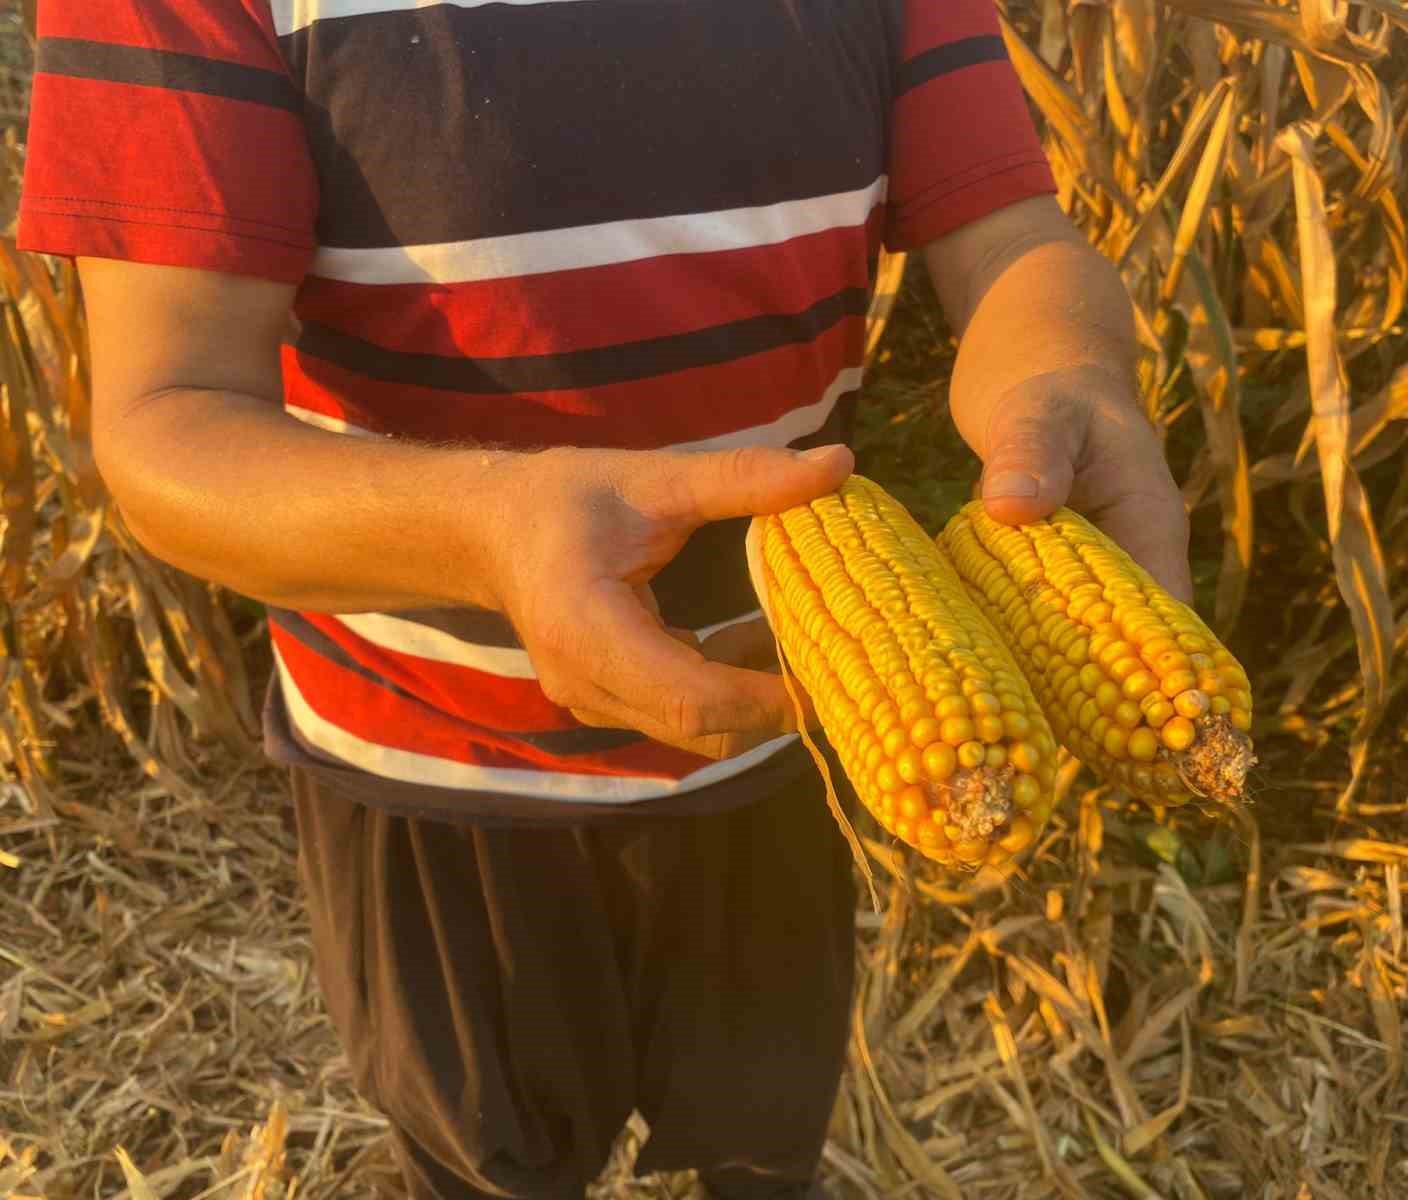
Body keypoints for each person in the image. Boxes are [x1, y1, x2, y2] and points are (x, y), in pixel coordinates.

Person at [19, 1, 1191, 1196]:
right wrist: (489, 535)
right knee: (488, 1164)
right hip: (437, 764)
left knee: (757, 1145)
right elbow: (170, 427)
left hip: (782, 731)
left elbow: (1010, 243)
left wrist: (1065, 373)